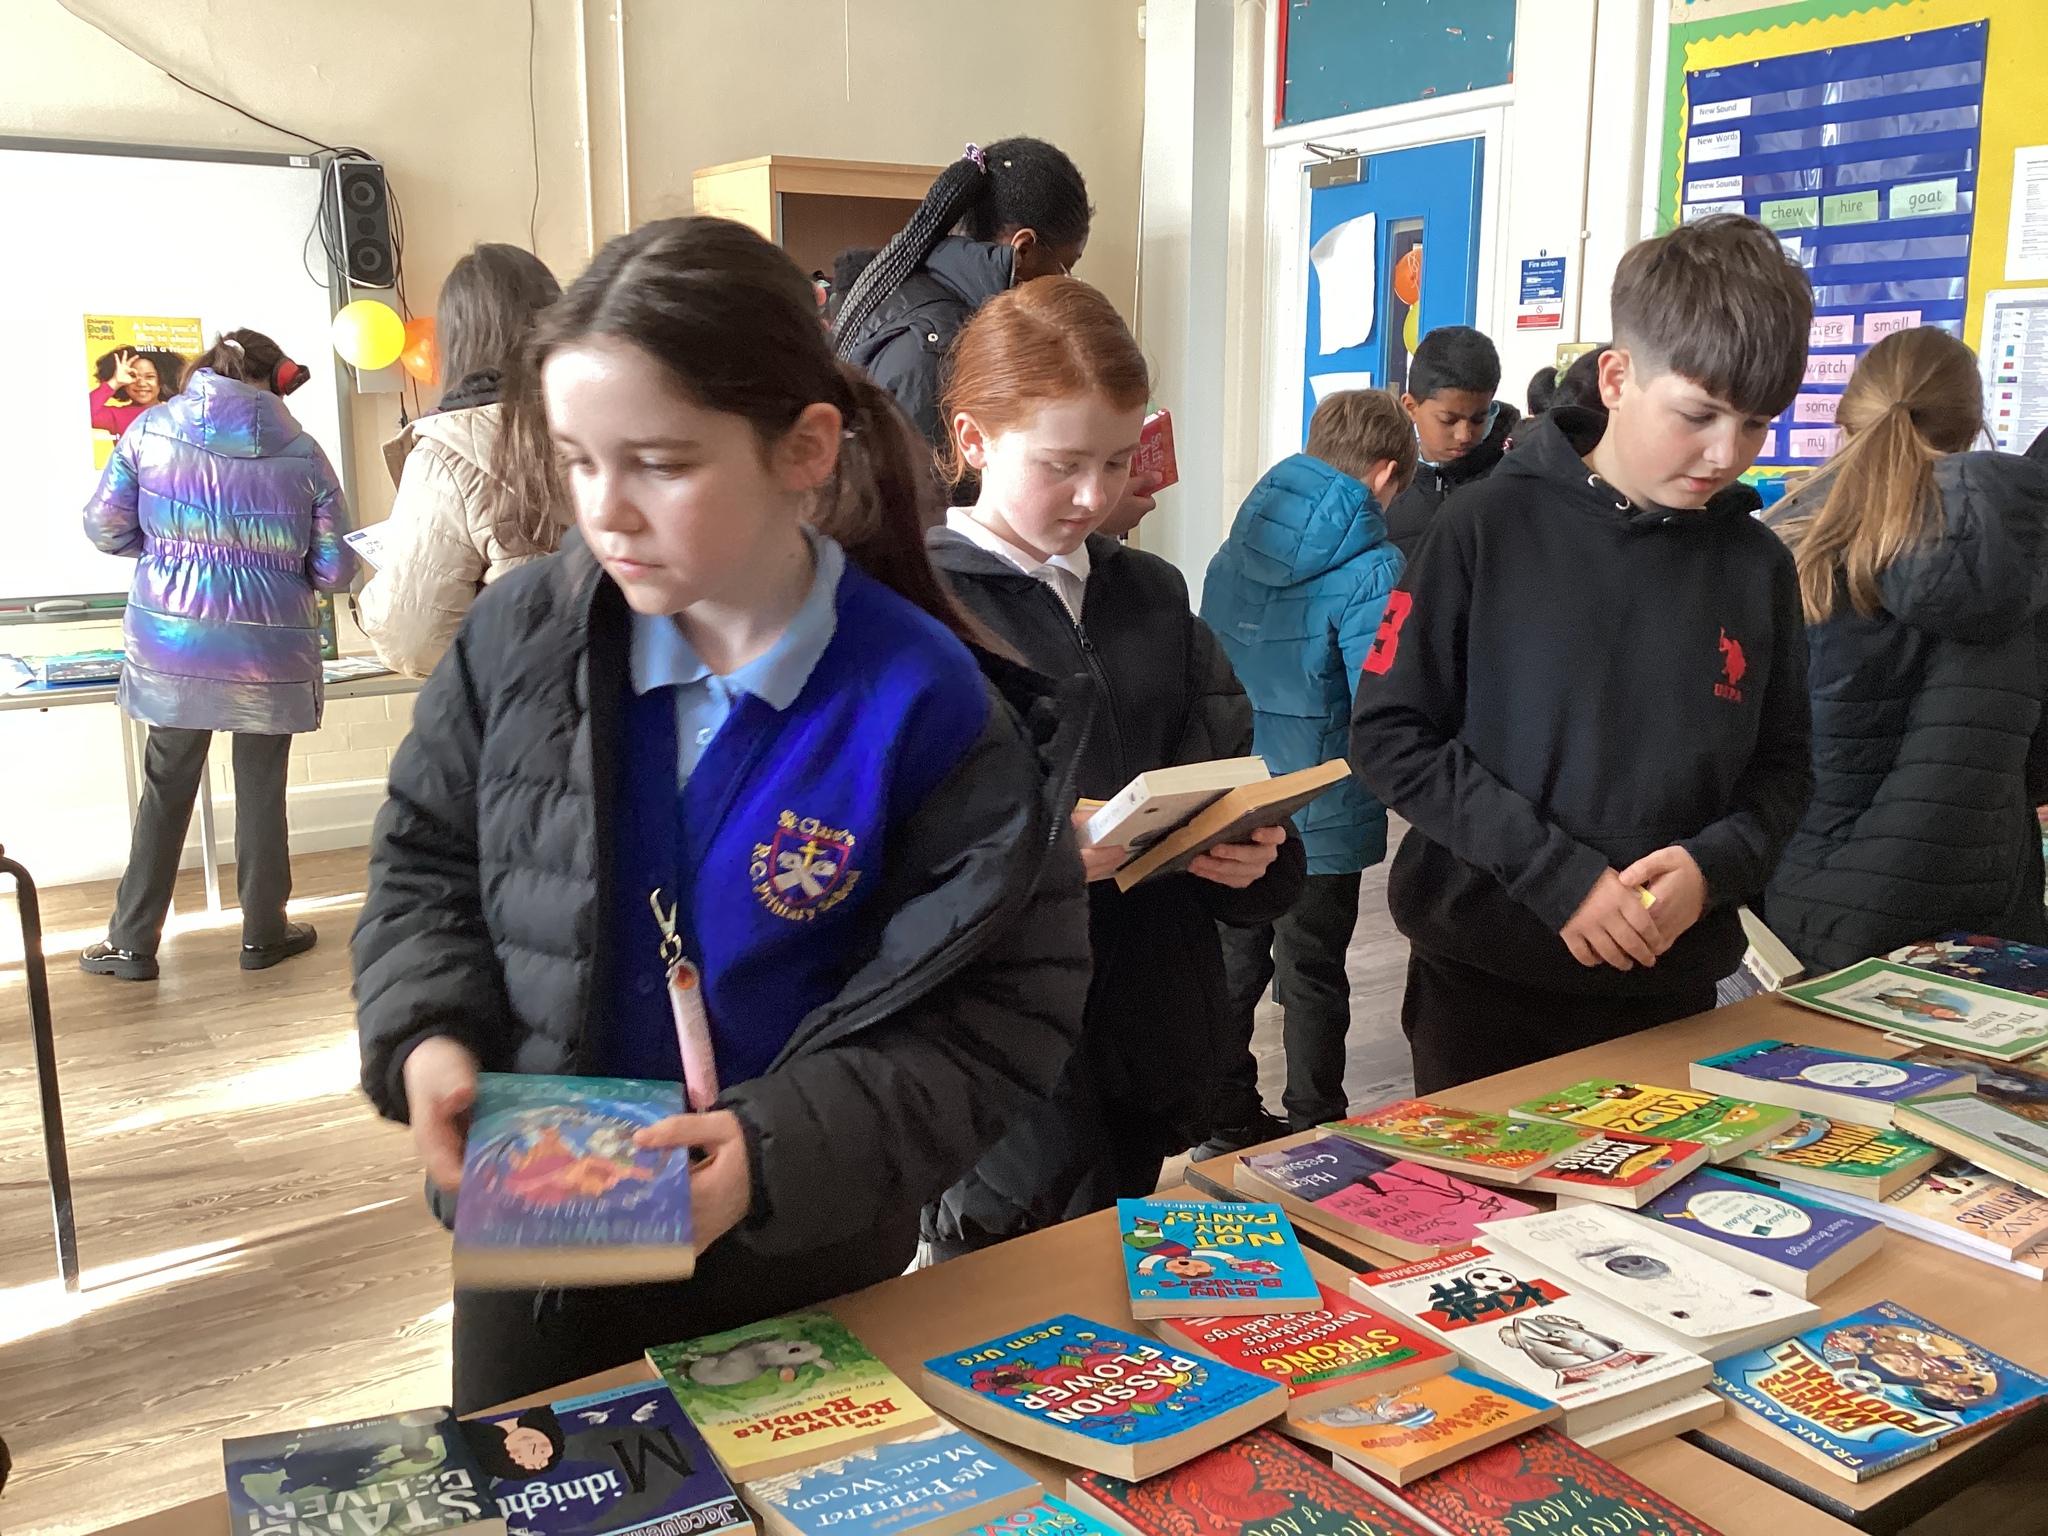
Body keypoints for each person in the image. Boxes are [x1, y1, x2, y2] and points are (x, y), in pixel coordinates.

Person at [351, 216, 1091, 1411]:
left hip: (800, 1256)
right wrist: (427, 1033)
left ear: (803, 449)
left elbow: (1006, 1012)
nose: (606, 511)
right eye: (579, 462)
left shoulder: (927, 700)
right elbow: (423, 865)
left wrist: (774, 1153)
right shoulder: (521, 637)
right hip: (542, 1240)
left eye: (660, 463)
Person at [1350, 214, 1815, 1093]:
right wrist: (1555, 876)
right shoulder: (1483, 525)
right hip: (1484, 989)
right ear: (1617, 376)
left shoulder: (1759, 566)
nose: (1726, 453)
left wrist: (1712, 867)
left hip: (1672, 993)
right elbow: (1389, 734)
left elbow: (1784, 771)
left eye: (1756, 425)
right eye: (1698, 415)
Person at [920, 277, 1305, 1254]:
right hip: (995, 1065)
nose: (1095, 496)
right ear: (972, 440)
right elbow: (886, 867)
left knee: (1117, 1285)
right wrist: (1049, 853)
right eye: (1060, 465)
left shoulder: (1151, 596)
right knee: (1003, 1293)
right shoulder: (915, 612)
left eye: (1118, 461)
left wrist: (1256, 854)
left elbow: (1227, 769)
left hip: (1150, 1029)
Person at [1763, 326, 2048, 971]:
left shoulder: (1789, 550)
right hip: (1987, 911)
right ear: (1972, 427)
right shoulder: (2027, 561)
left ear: (1845, 419)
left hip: (1804, 899)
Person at [80, 329, 354, 980]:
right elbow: (336, 568)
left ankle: (132, 942)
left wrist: (168, 550)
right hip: (270, 650)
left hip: (175, 645)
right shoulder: (304, 451)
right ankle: (264, 934)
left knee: (165, 786)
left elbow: (104, 527)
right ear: (275, 380)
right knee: (262, 787)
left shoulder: (149, 431)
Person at [1198, 390, 1416, 1149]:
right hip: (1318, 808)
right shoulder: (1377, 567)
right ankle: (1316, 1128)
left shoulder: (1237, 543)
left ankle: (1224, 1120)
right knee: (1313, 972)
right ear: (1385, 473)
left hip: (1230, 796)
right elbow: (1378, 698)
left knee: (1231, 968)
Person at [359, 243, 563, 676]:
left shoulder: (446, 452)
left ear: (454, 341)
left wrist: (372, 601)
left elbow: (412, 640)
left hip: (520, 695)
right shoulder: (600, 421)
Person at [832, 138, 1091, 452]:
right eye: (1064, 268)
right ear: (1023, 250)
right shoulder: (939, 352)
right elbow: (931, 484)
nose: (1063, 282)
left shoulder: (916, 282)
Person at [1383, 326, 1520, 564]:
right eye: (1448, 420)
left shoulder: (1511, 477)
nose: (1464, 435)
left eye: (1478, 419)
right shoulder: (1382, 483)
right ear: (1410, 408)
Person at [89, 347, 163, 438]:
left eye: (150, 377)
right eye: (132, 375)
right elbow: (79, 414)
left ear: (163, 379)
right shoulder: (116, 416)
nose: (141, 384)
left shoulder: (174, 411)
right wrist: (115, 381)